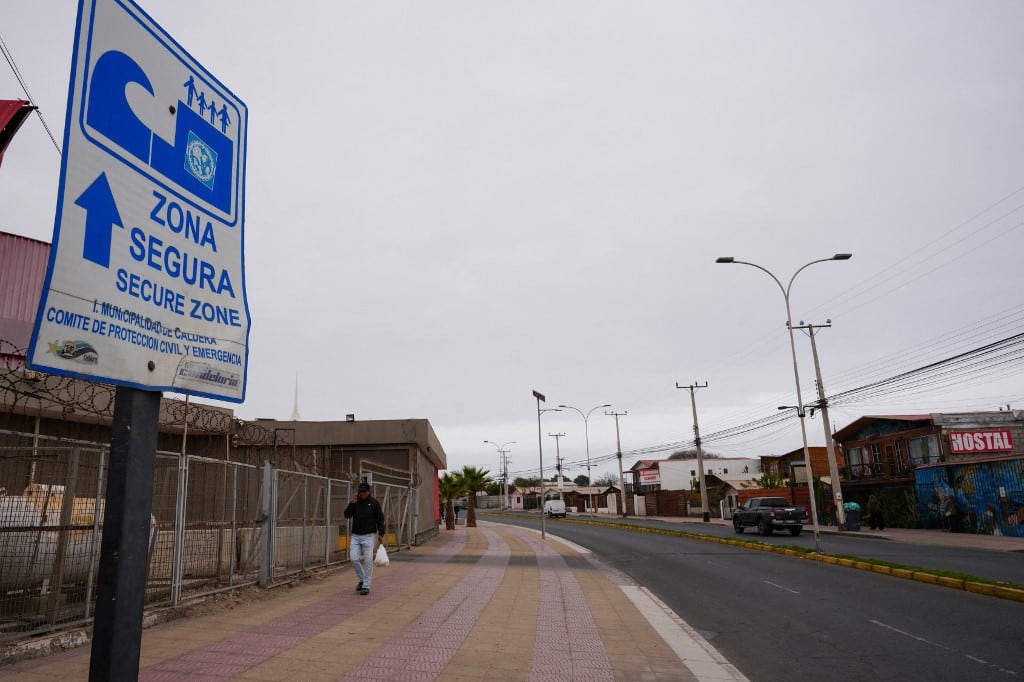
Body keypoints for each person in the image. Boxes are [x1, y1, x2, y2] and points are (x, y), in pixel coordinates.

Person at [344, 482, 385, 595]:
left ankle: (366, 586)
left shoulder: (374, 503)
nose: (361, 494)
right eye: (360, 492)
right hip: (356, 536)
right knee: (353, 558)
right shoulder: (355, 502)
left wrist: (381, 533)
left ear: (368, 492)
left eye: (364, 492)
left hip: (369, 535)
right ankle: (362, 579)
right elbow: (346, 515)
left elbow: (380, 519)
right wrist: (352, 503)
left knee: (368, 561)